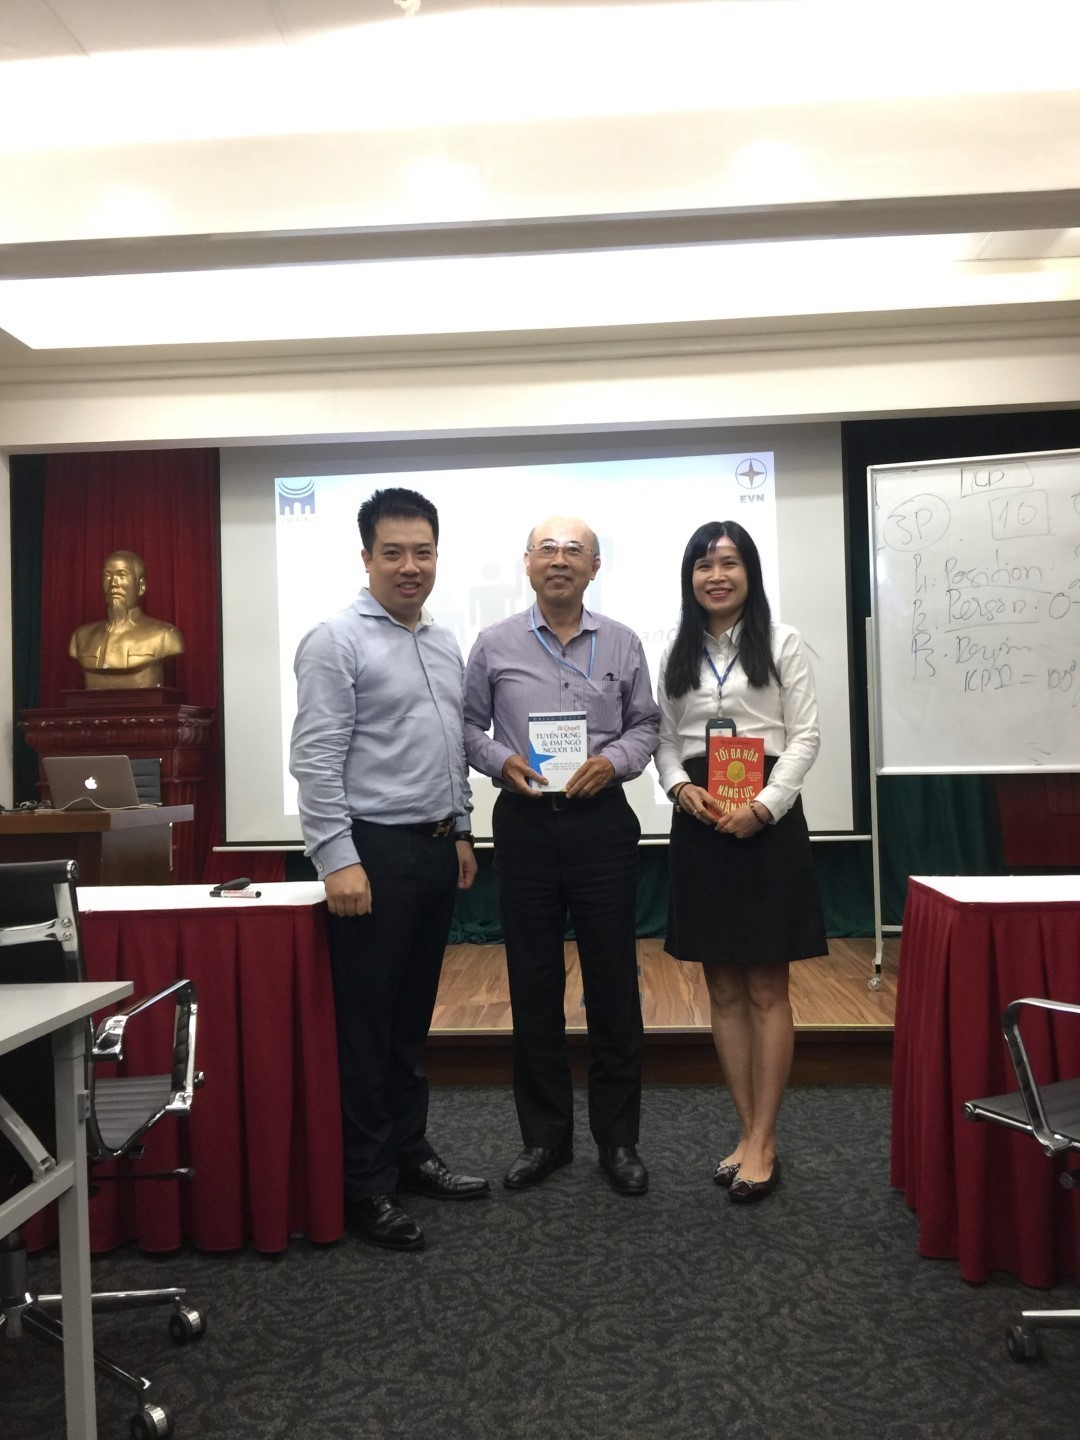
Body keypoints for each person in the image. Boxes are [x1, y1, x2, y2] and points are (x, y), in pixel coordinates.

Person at [289, 487, 489, 1252]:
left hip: (434, 849)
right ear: (367, 557)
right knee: (367, 1029)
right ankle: (366, 1185)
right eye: (394, 552)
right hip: (371, 854)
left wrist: (461, 830)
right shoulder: (335, 641)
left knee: (410, 1023)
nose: (411, 566)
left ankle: (411, 1154)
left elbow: (449, 748)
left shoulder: (442, 640)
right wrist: (337, 858)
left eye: (423, 551)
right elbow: (315, 761)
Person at [464, 515, 660, 1196]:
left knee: (613, 985)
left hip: (601, 823)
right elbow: (467, 725)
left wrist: (615, 761)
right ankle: (544, 1138)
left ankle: (619, 1140)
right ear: (526, 563)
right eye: (546, 549)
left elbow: (646, 724)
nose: (559, 559)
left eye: (574, 550)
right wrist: (500, 760)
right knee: (534, 984)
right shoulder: (493, 643)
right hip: (524, 823)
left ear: (594, 567)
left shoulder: (623, 641)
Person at [655, 520, 826, 1203]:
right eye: (704, 565)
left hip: (766, 819)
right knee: (722, 987)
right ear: (689, 577)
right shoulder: (675, 649)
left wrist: (766, 806)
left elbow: (805, 736)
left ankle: (765, 1138)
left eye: (729, 563)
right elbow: (665, 740)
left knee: (766, 987)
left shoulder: (782, 643)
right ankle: (747, 1131)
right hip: (700, 818)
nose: (716, 575)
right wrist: (679, 788)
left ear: (749, 572)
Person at [69, 550, 184, 688]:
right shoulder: (81, 636)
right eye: (107, 576)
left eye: (122, 575)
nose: (113, 583)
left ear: (141, 586)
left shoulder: (164, 635)